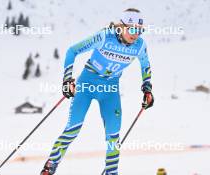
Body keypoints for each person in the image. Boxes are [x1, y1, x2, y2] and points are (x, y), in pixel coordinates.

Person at [41, 8, 154, 175]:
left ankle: (111, 173)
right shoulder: (105, 36)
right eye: (131, 29)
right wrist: (67, 79)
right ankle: (49, 167)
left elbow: (145, 64)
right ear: (120, 26)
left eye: (139, 30)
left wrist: (147, 89)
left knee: (113, 137)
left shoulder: (139, 45)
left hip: (110, 90)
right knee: (73, 129)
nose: (135, 34)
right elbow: (72, 51)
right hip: (87, 85)